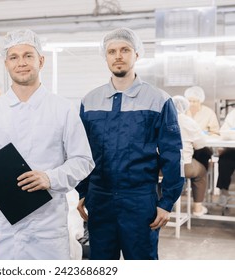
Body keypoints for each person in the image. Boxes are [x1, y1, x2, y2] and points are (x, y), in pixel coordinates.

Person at [0, 29, 94, 260]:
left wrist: (50, 178)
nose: (21, 63)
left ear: (41, 60)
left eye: (28, 55)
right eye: (14, 57)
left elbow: (83, 160)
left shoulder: (61, 108)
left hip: (47, 228)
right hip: (2, 228)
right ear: (6, 63)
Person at [76, 27, 184, 260]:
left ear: (137, 54)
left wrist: (166, 202)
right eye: (111, 51)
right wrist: (83, 191)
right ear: (105, 57)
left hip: (139, 200)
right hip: (100, 198)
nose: (118, 56)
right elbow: (82, 152)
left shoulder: (158, 100)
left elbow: (172, 154)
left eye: (125, 50)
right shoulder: (90, 101)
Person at [172, 95, 208, 216]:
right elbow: (200, 145)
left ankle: (164, 205)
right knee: (201, 172)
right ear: (185, 107)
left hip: (160, 167)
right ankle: (197, 209)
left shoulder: (159, 120)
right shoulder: (189, 122)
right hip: (184, 167)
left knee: (163, 178)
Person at [216, 109, 235, 206]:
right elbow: (224, 132)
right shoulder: (233, 114)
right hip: (232, 149)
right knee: (224, 159)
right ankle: (223, 192)